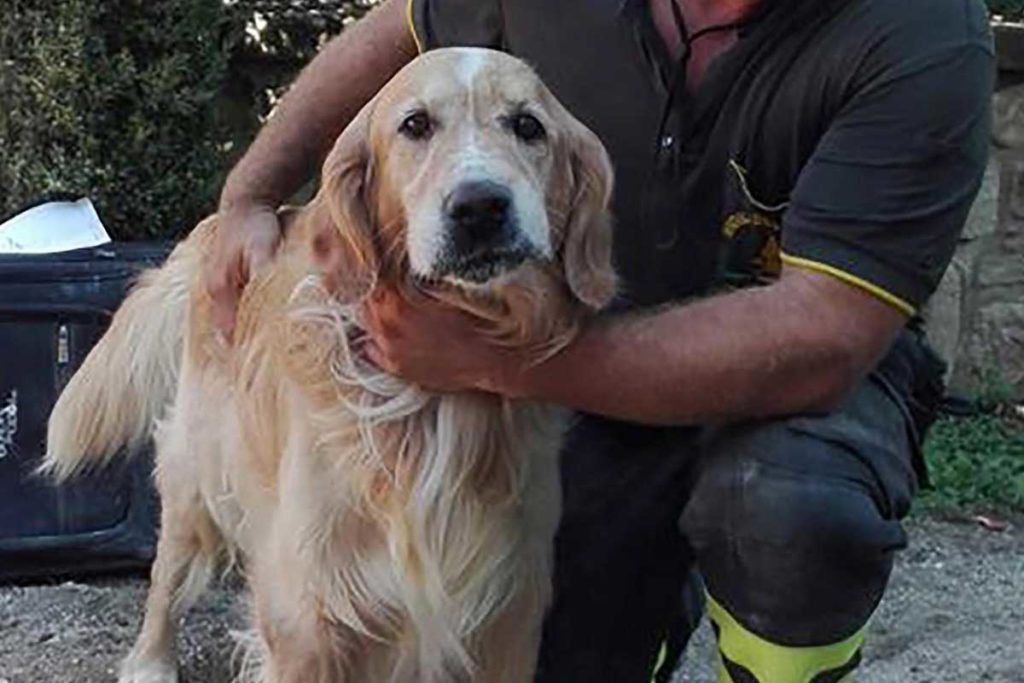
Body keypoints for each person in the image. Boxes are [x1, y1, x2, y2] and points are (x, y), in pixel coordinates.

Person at [206, 0, 993, 680]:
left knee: (794, 511)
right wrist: (251, 191)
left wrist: (497, 361)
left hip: (800, 380)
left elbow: (826, 332)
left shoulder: (921, 34)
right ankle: (656, 593)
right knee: (532, 636)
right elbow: (400, 32)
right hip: (595, 349)